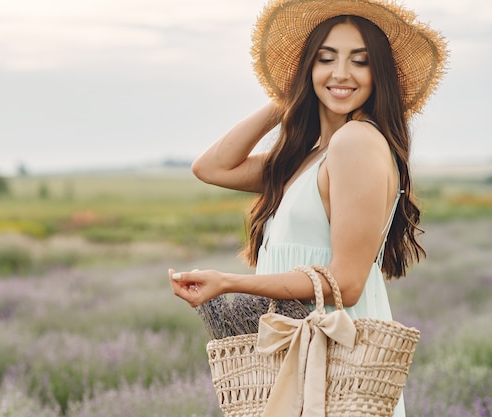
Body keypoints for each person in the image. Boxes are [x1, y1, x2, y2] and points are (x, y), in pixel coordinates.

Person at [168, 0, 448, 415]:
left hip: (332, 360)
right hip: (299, 357)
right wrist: (288, 96)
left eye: (360, 61)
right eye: (325, 59)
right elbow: (211, 167)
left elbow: (346, 284)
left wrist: (229, 282)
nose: (340, 74)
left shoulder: (356, 142)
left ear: (379, 75)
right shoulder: (311, 157)